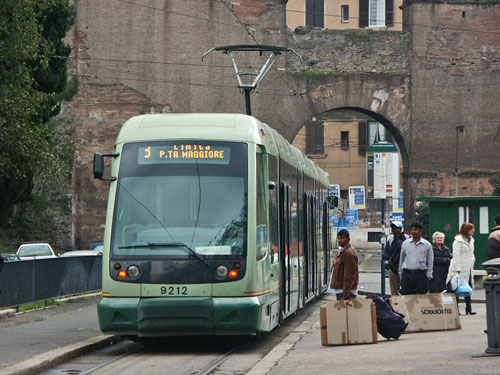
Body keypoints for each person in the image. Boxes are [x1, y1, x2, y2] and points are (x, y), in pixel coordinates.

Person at [446, 222, 476, 315]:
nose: (473, 231)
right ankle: (456, 309)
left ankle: (469, 308)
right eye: (471, 229)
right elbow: (456, 255)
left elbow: (471, 253)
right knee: (457, 288)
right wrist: (458, 268)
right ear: (466, 230)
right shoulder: (457, 241)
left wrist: (473, 260)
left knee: (468, 287)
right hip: (459, 268)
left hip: (469, 267)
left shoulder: (471, 240)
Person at [398, 222, 433, 295]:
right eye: (412, 230)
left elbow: (430, 261)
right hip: (407, 275)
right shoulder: (405, 244)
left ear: (421, 231)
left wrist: (428, 276)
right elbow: (402, 259)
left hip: (421, 275)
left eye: (416, 230)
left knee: (421, 298)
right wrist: (401, 274)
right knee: (407, 298)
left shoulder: (427, 245)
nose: (414, 232)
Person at [329, 229, 359, 300]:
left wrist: (346, 293)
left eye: (342, 238)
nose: (339, 240)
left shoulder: (349, 253)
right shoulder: (343, 251)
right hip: (341, 290)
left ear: (348, 239)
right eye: (338, 238)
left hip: (344, 291)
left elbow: (349, 275)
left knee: (345, 311)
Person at [382, 220, 410, 295]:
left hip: (406, 270)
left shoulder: (408, 239)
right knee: (394, 292)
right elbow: (385, 254)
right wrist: (387, 264)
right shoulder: (391, 241)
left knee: (406, 291)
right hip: (394, 269)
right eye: (393, 228)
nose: (395, 230)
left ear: (401, 229)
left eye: (397, 228)